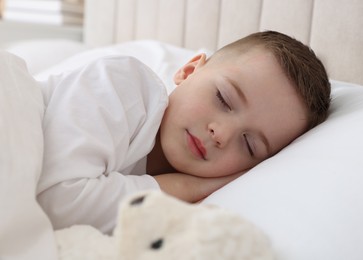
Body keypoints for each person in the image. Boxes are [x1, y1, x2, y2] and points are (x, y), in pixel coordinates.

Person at [37, 31, 331, 234]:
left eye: (249, 144)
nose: (221, 134)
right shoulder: (122, 84)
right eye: (224, 99)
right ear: (189, 71)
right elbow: (58, 204)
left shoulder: (193, 213)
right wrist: (189, 186)